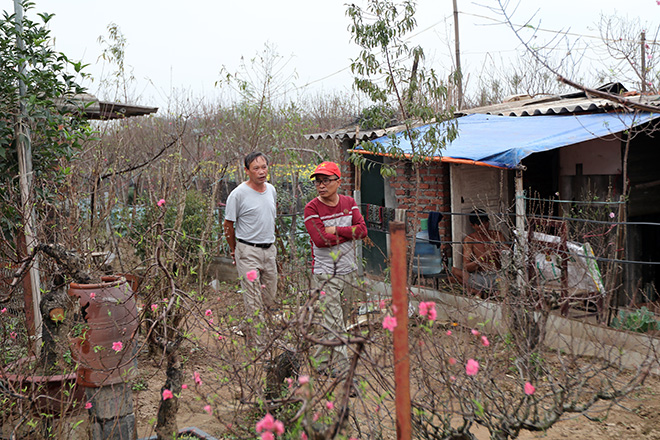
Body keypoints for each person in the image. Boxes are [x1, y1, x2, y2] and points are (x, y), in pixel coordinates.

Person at [304, 161, 368, 376]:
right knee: (334, 322)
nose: (321, 186)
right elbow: (320, 240)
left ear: (338, 182)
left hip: (347, 270)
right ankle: (342, 371)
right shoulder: (312, 208)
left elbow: (362, 231)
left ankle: (319, 363)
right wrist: (347, 232)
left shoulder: (349, 203)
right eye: (318, 182)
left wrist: (335, 229)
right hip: (325, 273)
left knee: (337, 321)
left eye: (326, 181)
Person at [223, 152, 277, 349]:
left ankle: (248, 328)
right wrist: (234, 250)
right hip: (248, 250)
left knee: (269, 297)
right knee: (253, 300)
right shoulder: (238, 194)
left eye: (264, 167)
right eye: (256, 168)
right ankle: (261, 346)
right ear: (246, 171)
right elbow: (228, 224)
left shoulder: (271, 190)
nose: (261, 172)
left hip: (269, 249)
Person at [451, 209, 506, 297]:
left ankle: (479, 291)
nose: (484, 226)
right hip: (480, 277)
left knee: (506, 280)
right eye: (480, 224)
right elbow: (467, 267)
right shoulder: (470, 240)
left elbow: (510, 256)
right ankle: (478, 290)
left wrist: (500, 252)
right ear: (472, 225)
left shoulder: (497, 235)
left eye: (486, 222)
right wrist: (483, 257)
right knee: (454, 271)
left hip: (497, 275)